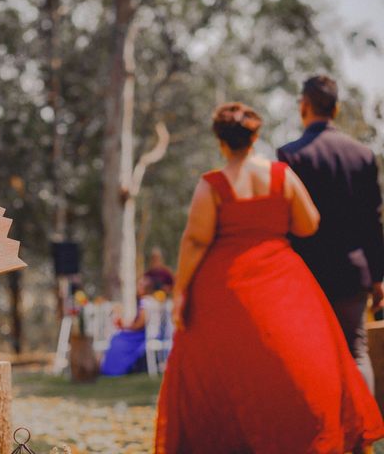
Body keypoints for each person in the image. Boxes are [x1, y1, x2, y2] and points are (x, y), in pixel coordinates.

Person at [155, 102, 384, 453]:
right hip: (282, 282)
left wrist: (182, 290)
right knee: (297, 364)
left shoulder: (212, 185)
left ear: (221, 141)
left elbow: (196, 240)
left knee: (228, 369)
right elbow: (308, 224)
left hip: (225, 287)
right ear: (255, 137)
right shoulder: (281, 176)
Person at [278, 75, 384, 392]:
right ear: (336, 109)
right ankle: (363, 437)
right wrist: (379, 276)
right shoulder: (362, 154)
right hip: (354, 274)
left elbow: (287, 223)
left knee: (313, 356)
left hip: (309, 274)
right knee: (356, 354)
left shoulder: (290, 156)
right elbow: (372, 222)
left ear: (304, 106)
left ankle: (328, 434)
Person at [100, 276, 152, 376]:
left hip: (140, 337)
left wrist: (125, 326)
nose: (138, 287)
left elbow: (140, 324)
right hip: (138, 334)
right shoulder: (147, 301)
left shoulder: (145, 303)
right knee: (116, 338)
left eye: (141, 285)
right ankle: (110, 370)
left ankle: (115, 370)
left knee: (116, 340)